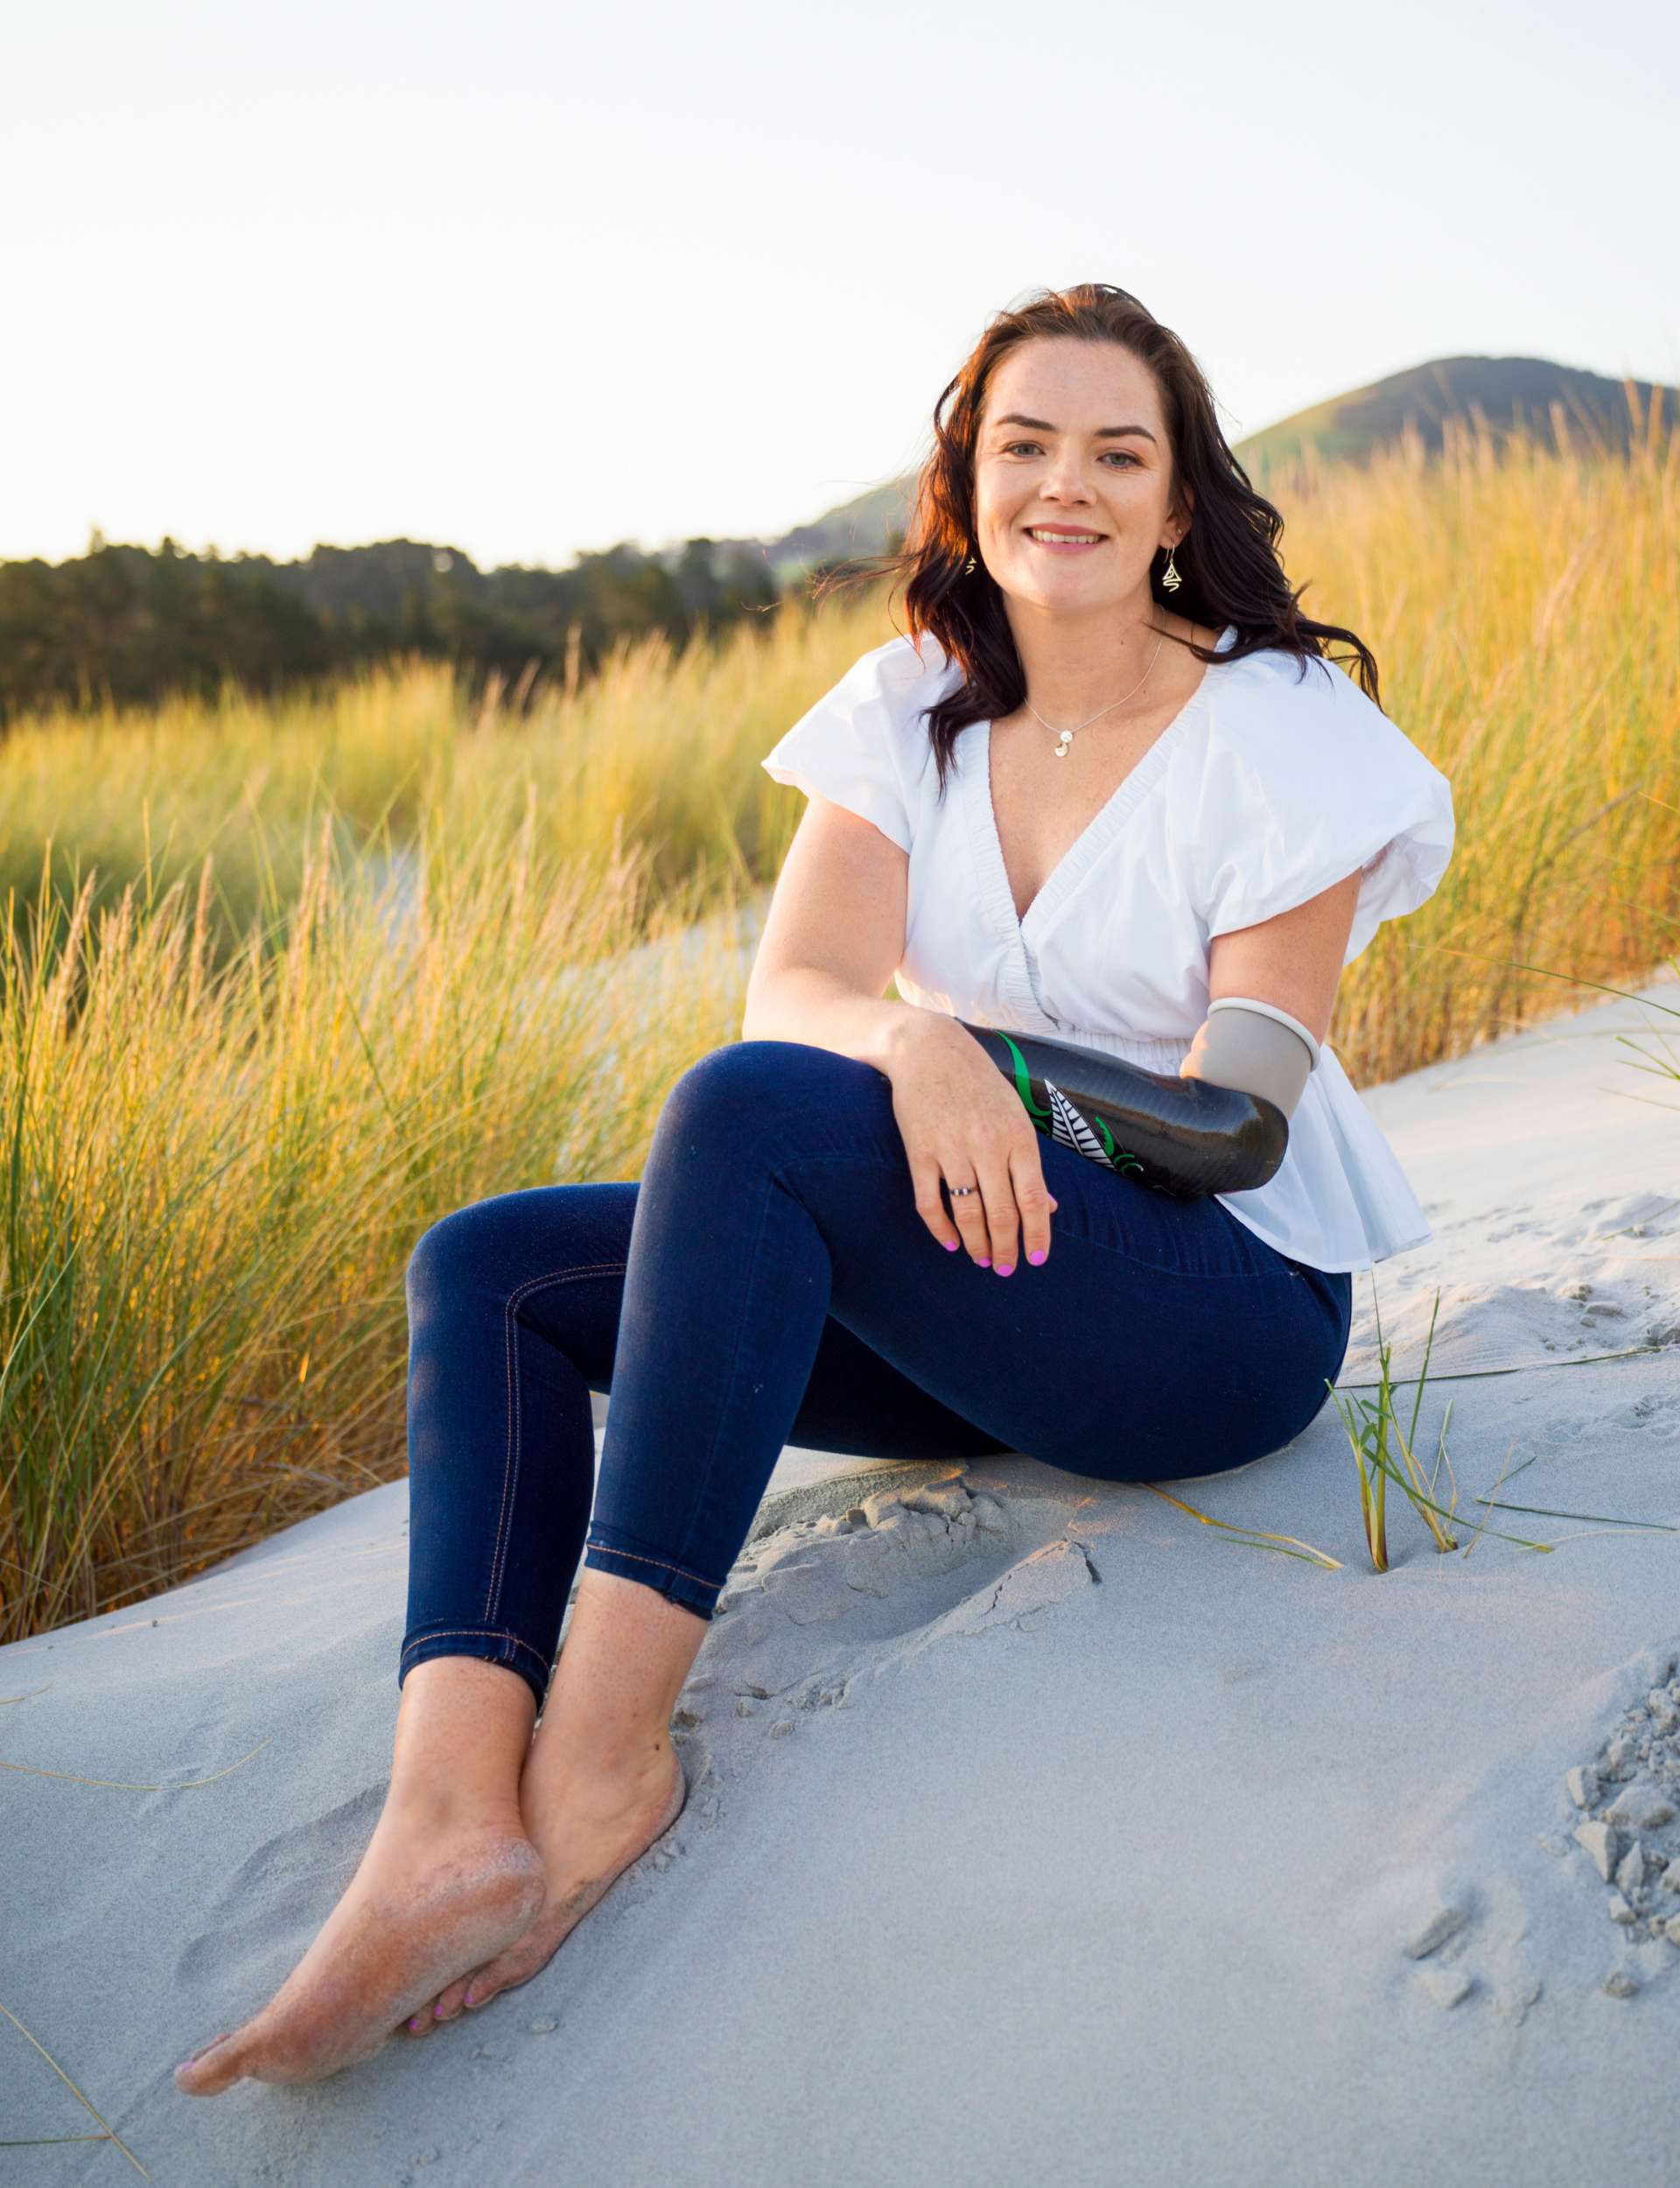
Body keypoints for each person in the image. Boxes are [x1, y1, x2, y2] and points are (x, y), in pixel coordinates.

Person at [174, 281, 1454, 2096]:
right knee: (491, 1267)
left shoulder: (1280, 728)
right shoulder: (911, 705)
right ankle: (450, 1806)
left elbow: (1236, 1123)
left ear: (1182, 505)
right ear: (967, 478)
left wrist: (978, 1056)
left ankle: (606, 1763)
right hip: (984, 1292)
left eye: (1116, 452)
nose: (1063, 486)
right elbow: (805, 985)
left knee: (753, 1111)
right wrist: (906, 1042)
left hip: (1212, 1318)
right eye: (1023, 446)